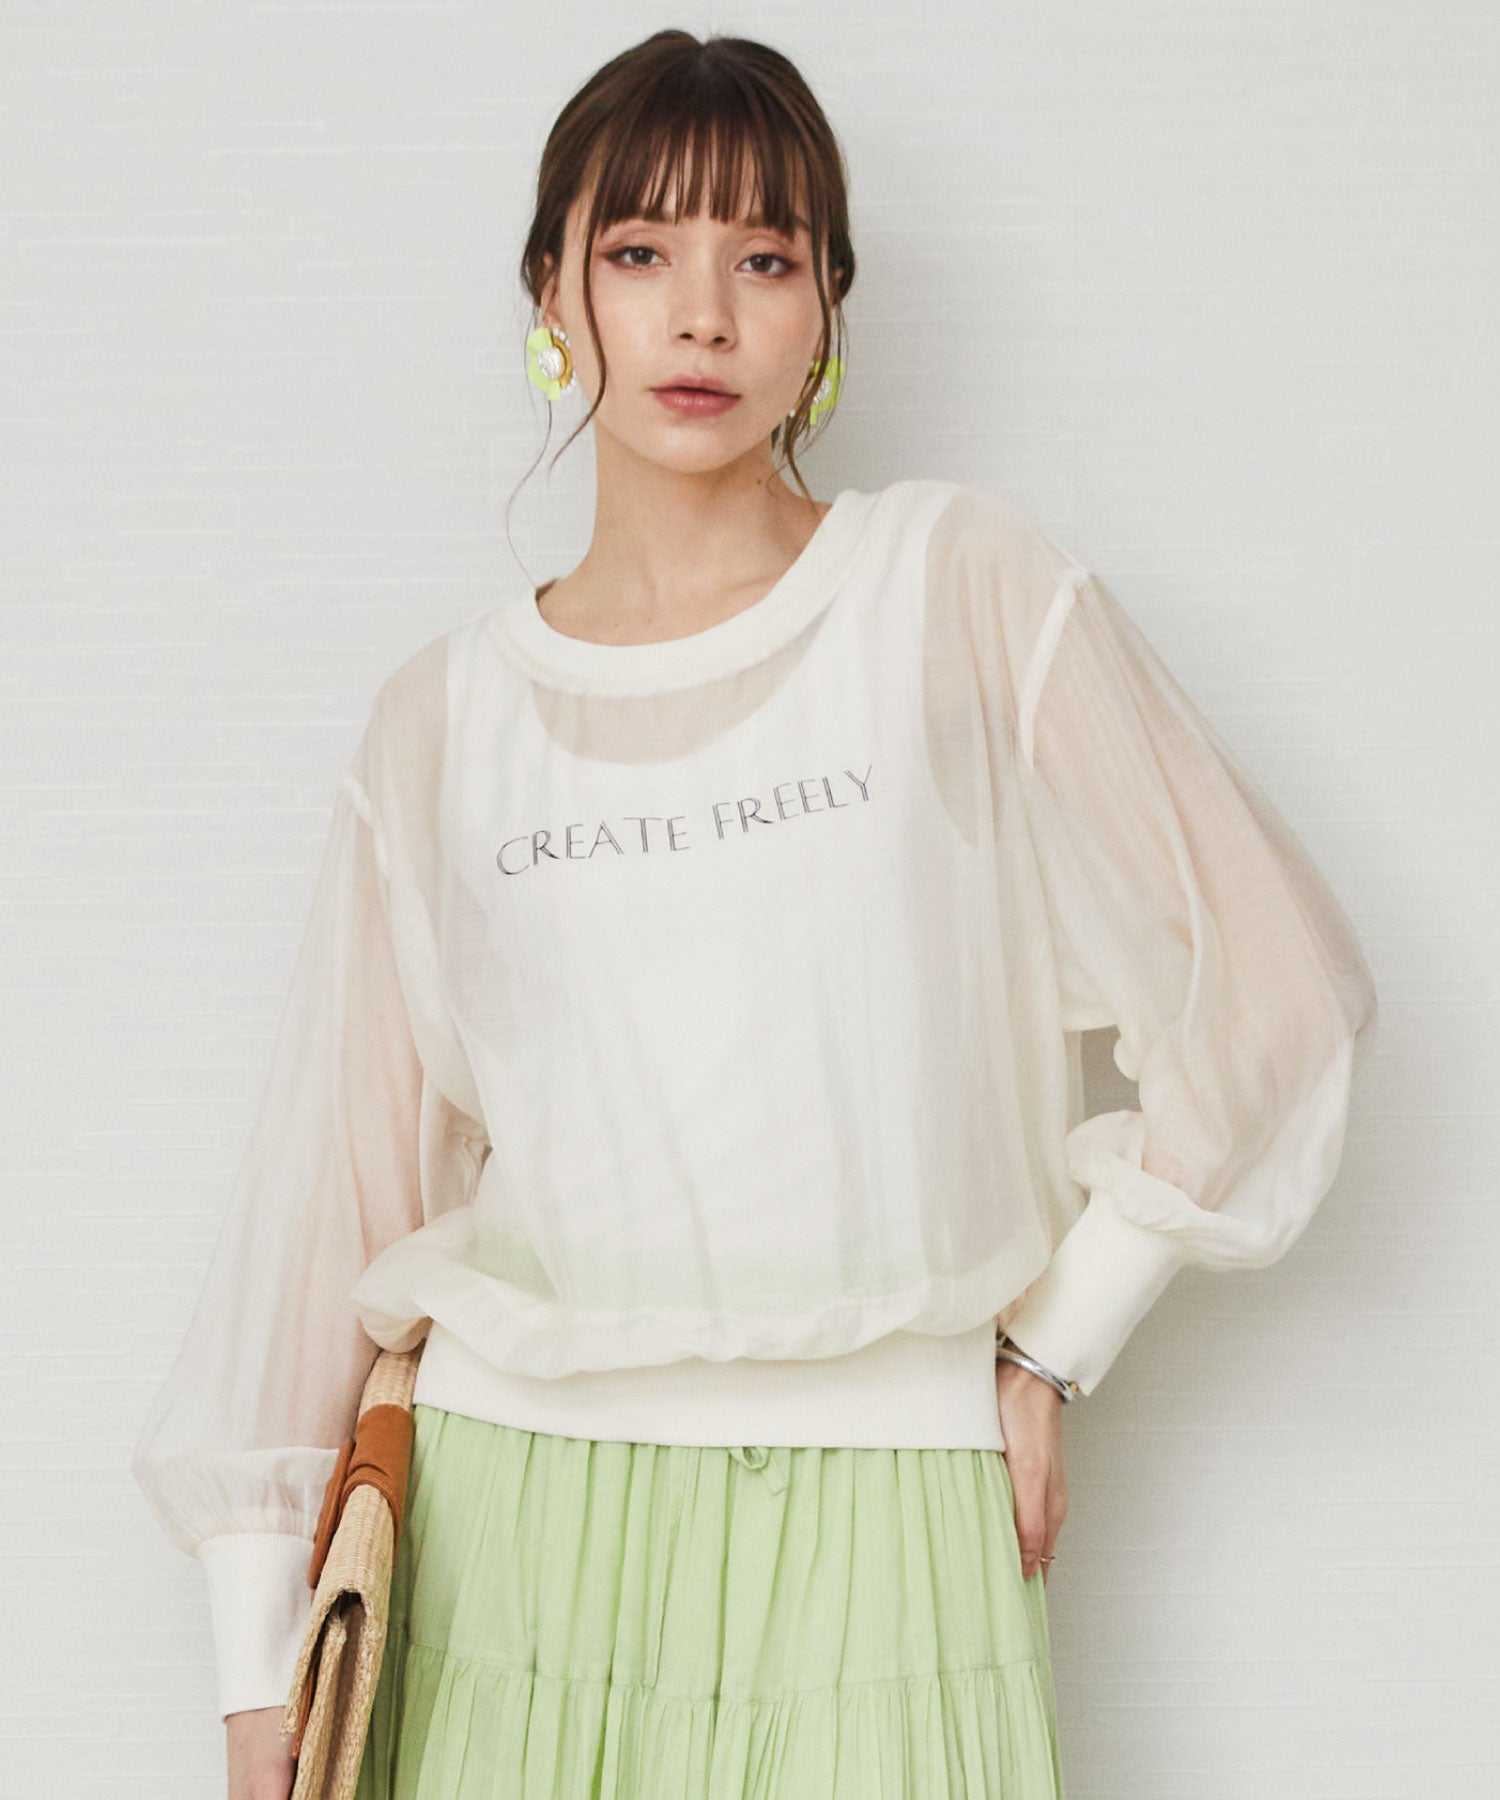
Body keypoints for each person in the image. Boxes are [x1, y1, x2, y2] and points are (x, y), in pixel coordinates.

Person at [130, 27, 1380, 1800]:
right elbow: (330, 1196)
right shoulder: (443, 721)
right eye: (642, 251)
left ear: (828, 314)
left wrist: (1054, 1344)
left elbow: (1276, 988)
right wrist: (260, 1662)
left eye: (766, 259)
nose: (702, 316)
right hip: (506, 1542)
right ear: (553, 294)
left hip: (892, 1521)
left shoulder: (957, 591)